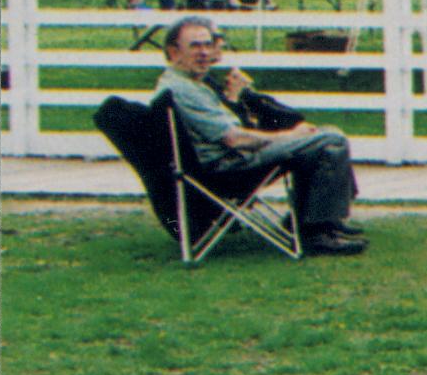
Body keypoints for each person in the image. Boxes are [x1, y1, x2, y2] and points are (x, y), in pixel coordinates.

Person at [153, 14, 367, 255]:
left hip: (229, 160)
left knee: (327, 135)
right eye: (195, 46)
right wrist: (289, 136)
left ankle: (318, 222)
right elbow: (234, 139)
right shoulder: (182, 89)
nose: (204, 52)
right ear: (173, 52)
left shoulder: (190, 84)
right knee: (330, 140)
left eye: (207, 44)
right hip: (227, 168)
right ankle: (316, 233)